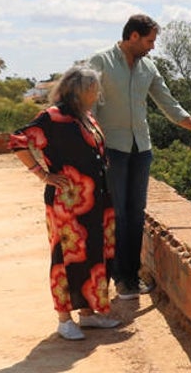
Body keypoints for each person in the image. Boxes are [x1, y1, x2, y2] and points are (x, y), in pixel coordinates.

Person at [90, 14, 191, 300]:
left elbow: (169, 105)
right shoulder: (100, 61)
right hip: (111, 149)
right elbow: (89, 106)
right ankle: (119, 279)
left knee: (135, 215)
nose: (152, 47)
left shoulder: (148, 67)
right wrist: (92, 146)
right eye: (149, 41)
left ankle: (130, 277)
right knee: (117, 214)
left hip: (141, 149)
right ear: (133, 36)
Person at [11, 65, 121, 340]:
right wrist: (42, 174)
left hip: (96, 201)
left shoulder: (85, 116)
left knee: (95, 255)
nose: (98, 93)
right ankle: (64, 318)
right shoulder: (52, 117)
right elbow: (18, 141)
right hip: (68, 203)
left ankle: (88, 315)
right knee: (66, 258)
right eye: (94, 88)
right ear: (79, 90)